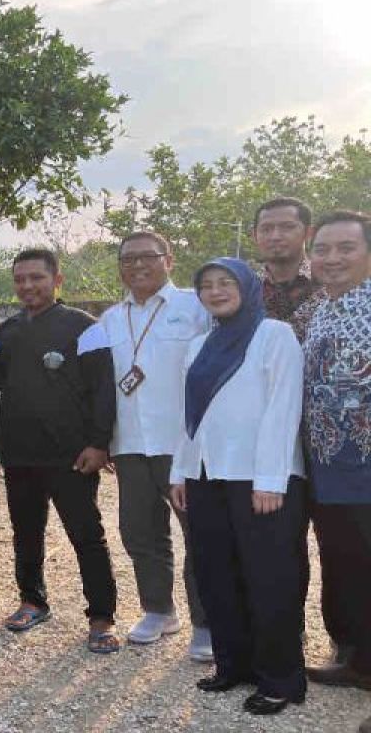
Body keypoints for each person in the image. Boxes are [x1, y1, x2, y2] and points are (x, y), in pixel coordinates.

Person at [0, 249, 120, 654]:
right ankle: (32, 600)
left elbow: (104, 390)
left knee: (87, 535)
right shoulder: (6, 332)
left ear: (56, 281)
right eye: (20, 279)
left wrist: (99, 444)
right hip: (20, 452)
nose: (28, 286)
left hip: (72, 455)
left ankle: (101, 618)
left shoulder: (86, 328)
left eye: (37, 278)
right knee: (25, 533)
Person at [168, 257, 307, 716]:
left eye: (226, 282)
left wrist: (271, 478)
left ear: (248, 288)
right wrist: (181, 471)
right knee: (216, 574)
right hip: (207, 475)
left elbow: (282, 408)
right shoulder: (200, 345)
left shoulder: (275, 335)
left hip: (261, 479)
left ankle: (280, 679)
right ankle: (234, 665)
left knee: (269, 578)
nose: (215, 291)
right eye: (206, 285)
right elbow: (189, 415)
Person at [99, 231, 212, 660]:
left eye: (148, 256)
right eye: (128, 259)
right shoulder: (110, 319)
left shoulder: (196, 307)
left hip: (183, 443)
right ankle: (159, 610)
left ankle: (207, 622)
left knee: (198, 533)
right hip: (129, 443)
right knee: (140, 531)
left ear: (169, 258)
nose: (138, 266)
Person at [299, 211, 371, 697]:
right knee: (344, 561)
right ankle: (358, 659)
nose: (332, 258)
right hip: (326, 464)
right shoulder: (316, 309)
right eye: (322, 249)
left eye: (345, 247)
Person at [253, 196, 321, 333]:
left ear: (309, 233)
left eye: (287, 227)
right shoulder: (244, 290)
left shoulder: (331, 285)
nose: (275, 237)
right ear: (254, 235)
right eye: (266, 229)